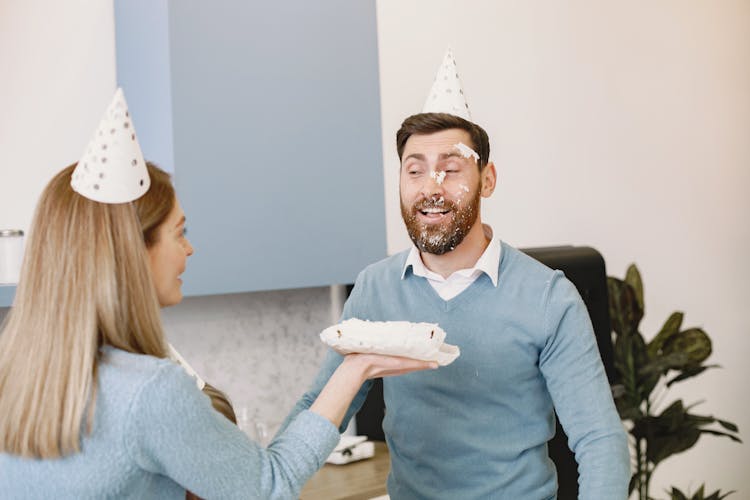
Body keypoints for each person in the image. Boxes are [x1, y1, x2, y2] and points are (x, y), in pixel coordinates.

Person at [0, 90, 435, 499]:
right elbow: (270, 486)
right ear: (133, 255)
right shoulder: (150, 391)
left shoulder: (15, 374)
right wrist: (354, 370)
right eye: (179, 232)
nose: (189, 248)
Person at [285, 52, 630, 499]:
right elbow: (321, 407)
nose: (430, 187)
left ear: (487, 180)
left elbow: (599, 440)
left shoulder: (548, 299)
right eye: (415, 171)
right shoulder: (375, 289)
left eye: (450, 169)